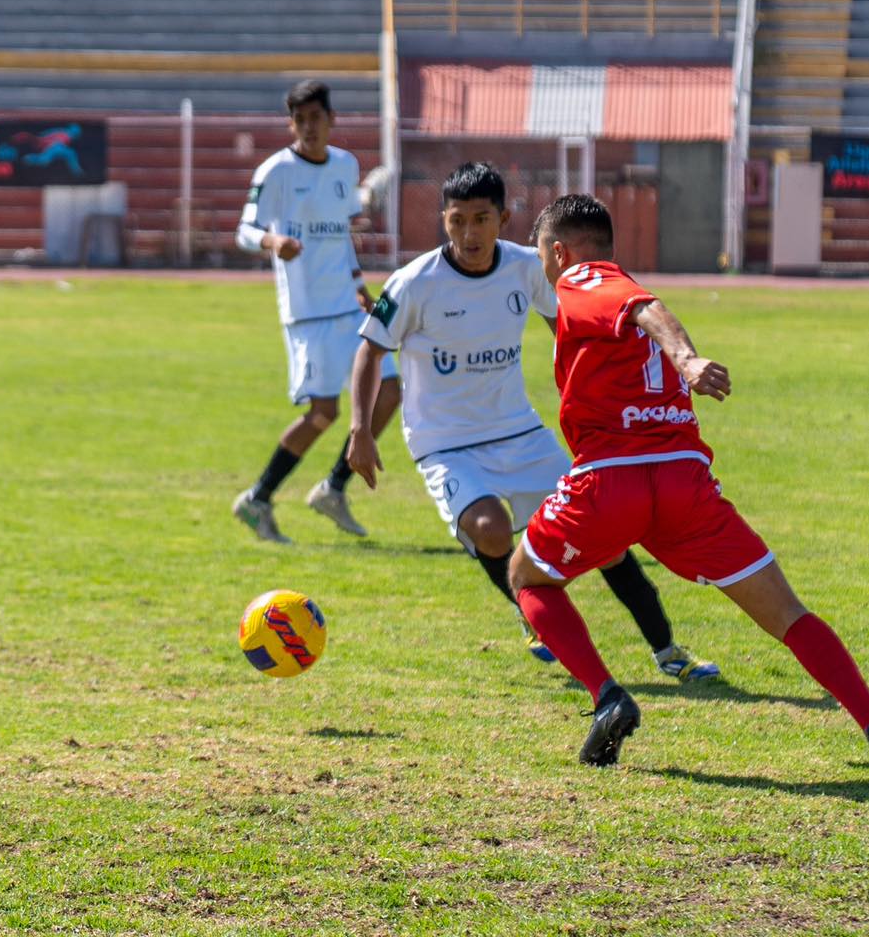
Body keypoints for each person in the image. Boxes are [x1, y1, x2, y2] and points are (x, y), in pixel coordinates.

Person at [509, 193, 869, 765]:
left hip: (610, 484)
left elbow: (642, 306)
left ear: (559, 252)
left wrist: (686, 358)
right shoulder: (611, 295)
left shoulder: (584, 278)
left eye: (543, 260)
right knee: (788, 615)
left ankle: (607, 696)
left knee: (528, 576)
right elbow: (637, 309)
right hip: (685, 486)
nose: (547, 273)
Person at [348, 162, 719, 679]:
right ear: (444, 220)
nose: (468, 233)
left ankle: (668, 651)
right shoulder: (414, 282)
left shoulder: (527, 268)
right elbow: (370, 350)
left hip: (519, 433)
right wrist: (360, 431)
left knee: (606, 538)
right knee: (491, 530)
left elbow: (567, 326)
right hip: (445, 442)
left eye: (481, 219)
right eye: (457, 220)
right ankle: (529, 610)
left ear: (503, 218)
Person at [232, 80, 401, 544]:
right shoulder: (276, 171)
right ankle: (258, 498)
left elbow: (340, 234)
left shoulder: (345, 165)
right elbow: (244, 230)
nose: (309, 127)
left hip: (346, 306)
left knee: (389, 390)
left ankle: (333, 488)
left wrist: (357, 284)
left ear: (331, 120)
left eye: (316, 117)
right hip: (307, 314)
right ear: (292, 124)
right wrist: (272, 241)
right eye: (300, 119)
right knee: (323, 413)